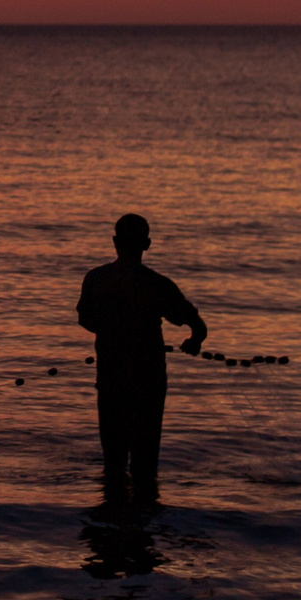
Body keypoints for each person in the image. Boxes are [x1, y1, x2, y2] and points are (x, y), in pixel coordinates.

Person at [76, 214, 207, 502]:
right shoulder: (155, 284)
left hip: (110, 378)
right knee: (145, 466)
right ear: (147, 244)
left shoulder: (96, 279)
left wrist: (111, 330)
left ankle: (111, 526)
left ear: (115, 242)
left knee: (113, 464)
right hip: (148, 382)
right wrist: (194, 342)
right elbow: (196, 325)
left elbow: (85, 319)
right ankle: (143, 527)